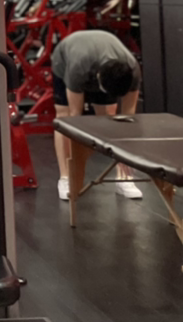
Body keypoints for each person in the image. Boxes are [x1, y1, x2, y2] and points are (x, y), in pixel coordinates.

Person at [52, 27, 142, 200]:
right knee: (64, 118)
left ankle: (124, 178)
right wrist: (77, 165)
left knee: (110, 115)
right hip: (66, 59)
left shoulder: (133, 70)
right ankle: (66, 177)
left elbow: (128, 118)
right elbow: (74, 118)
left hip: (100, 63)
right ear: (98, 77)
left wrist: (126, 158)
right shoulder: (78, 68)